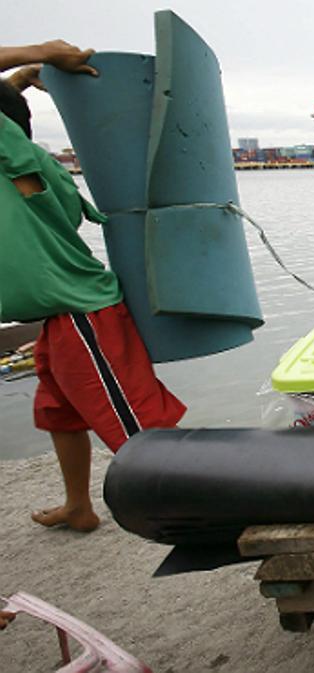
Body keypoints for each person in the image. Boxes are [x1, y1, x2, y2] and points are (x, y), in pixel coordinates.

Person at [1, 41, 186, 533]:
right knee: (58, 412)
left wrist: (39, 53)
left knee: (140, 428)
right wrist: (18, 83)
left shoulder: (13, 163)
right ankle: (78, 505)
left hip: (83, 315)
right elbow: (11, 123)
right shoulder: (20, 156)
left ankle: (197, 507)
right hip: (59, 315)